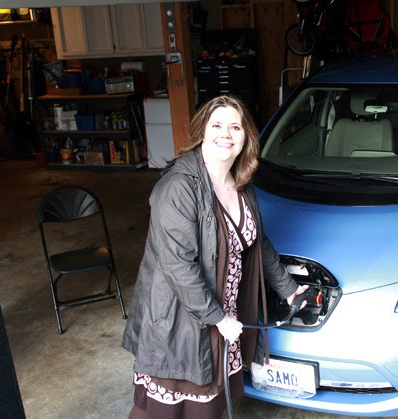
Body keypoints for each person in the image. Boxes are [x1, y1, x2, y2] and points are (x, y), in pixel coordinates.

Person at [122, 95, 308, 419]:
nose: (226, 134)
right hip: (181, 323)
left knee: (209, 407)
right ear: (202, 132)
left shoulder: (240, 183)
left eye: (235, 126)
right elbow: (178, 266)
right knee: (162, 411)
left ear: (246, 135)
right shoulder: (179, 187)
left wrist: (288, 287)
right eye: (217, 125)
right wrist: (218, 318)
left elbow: (256, 241)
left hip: (223, 321)